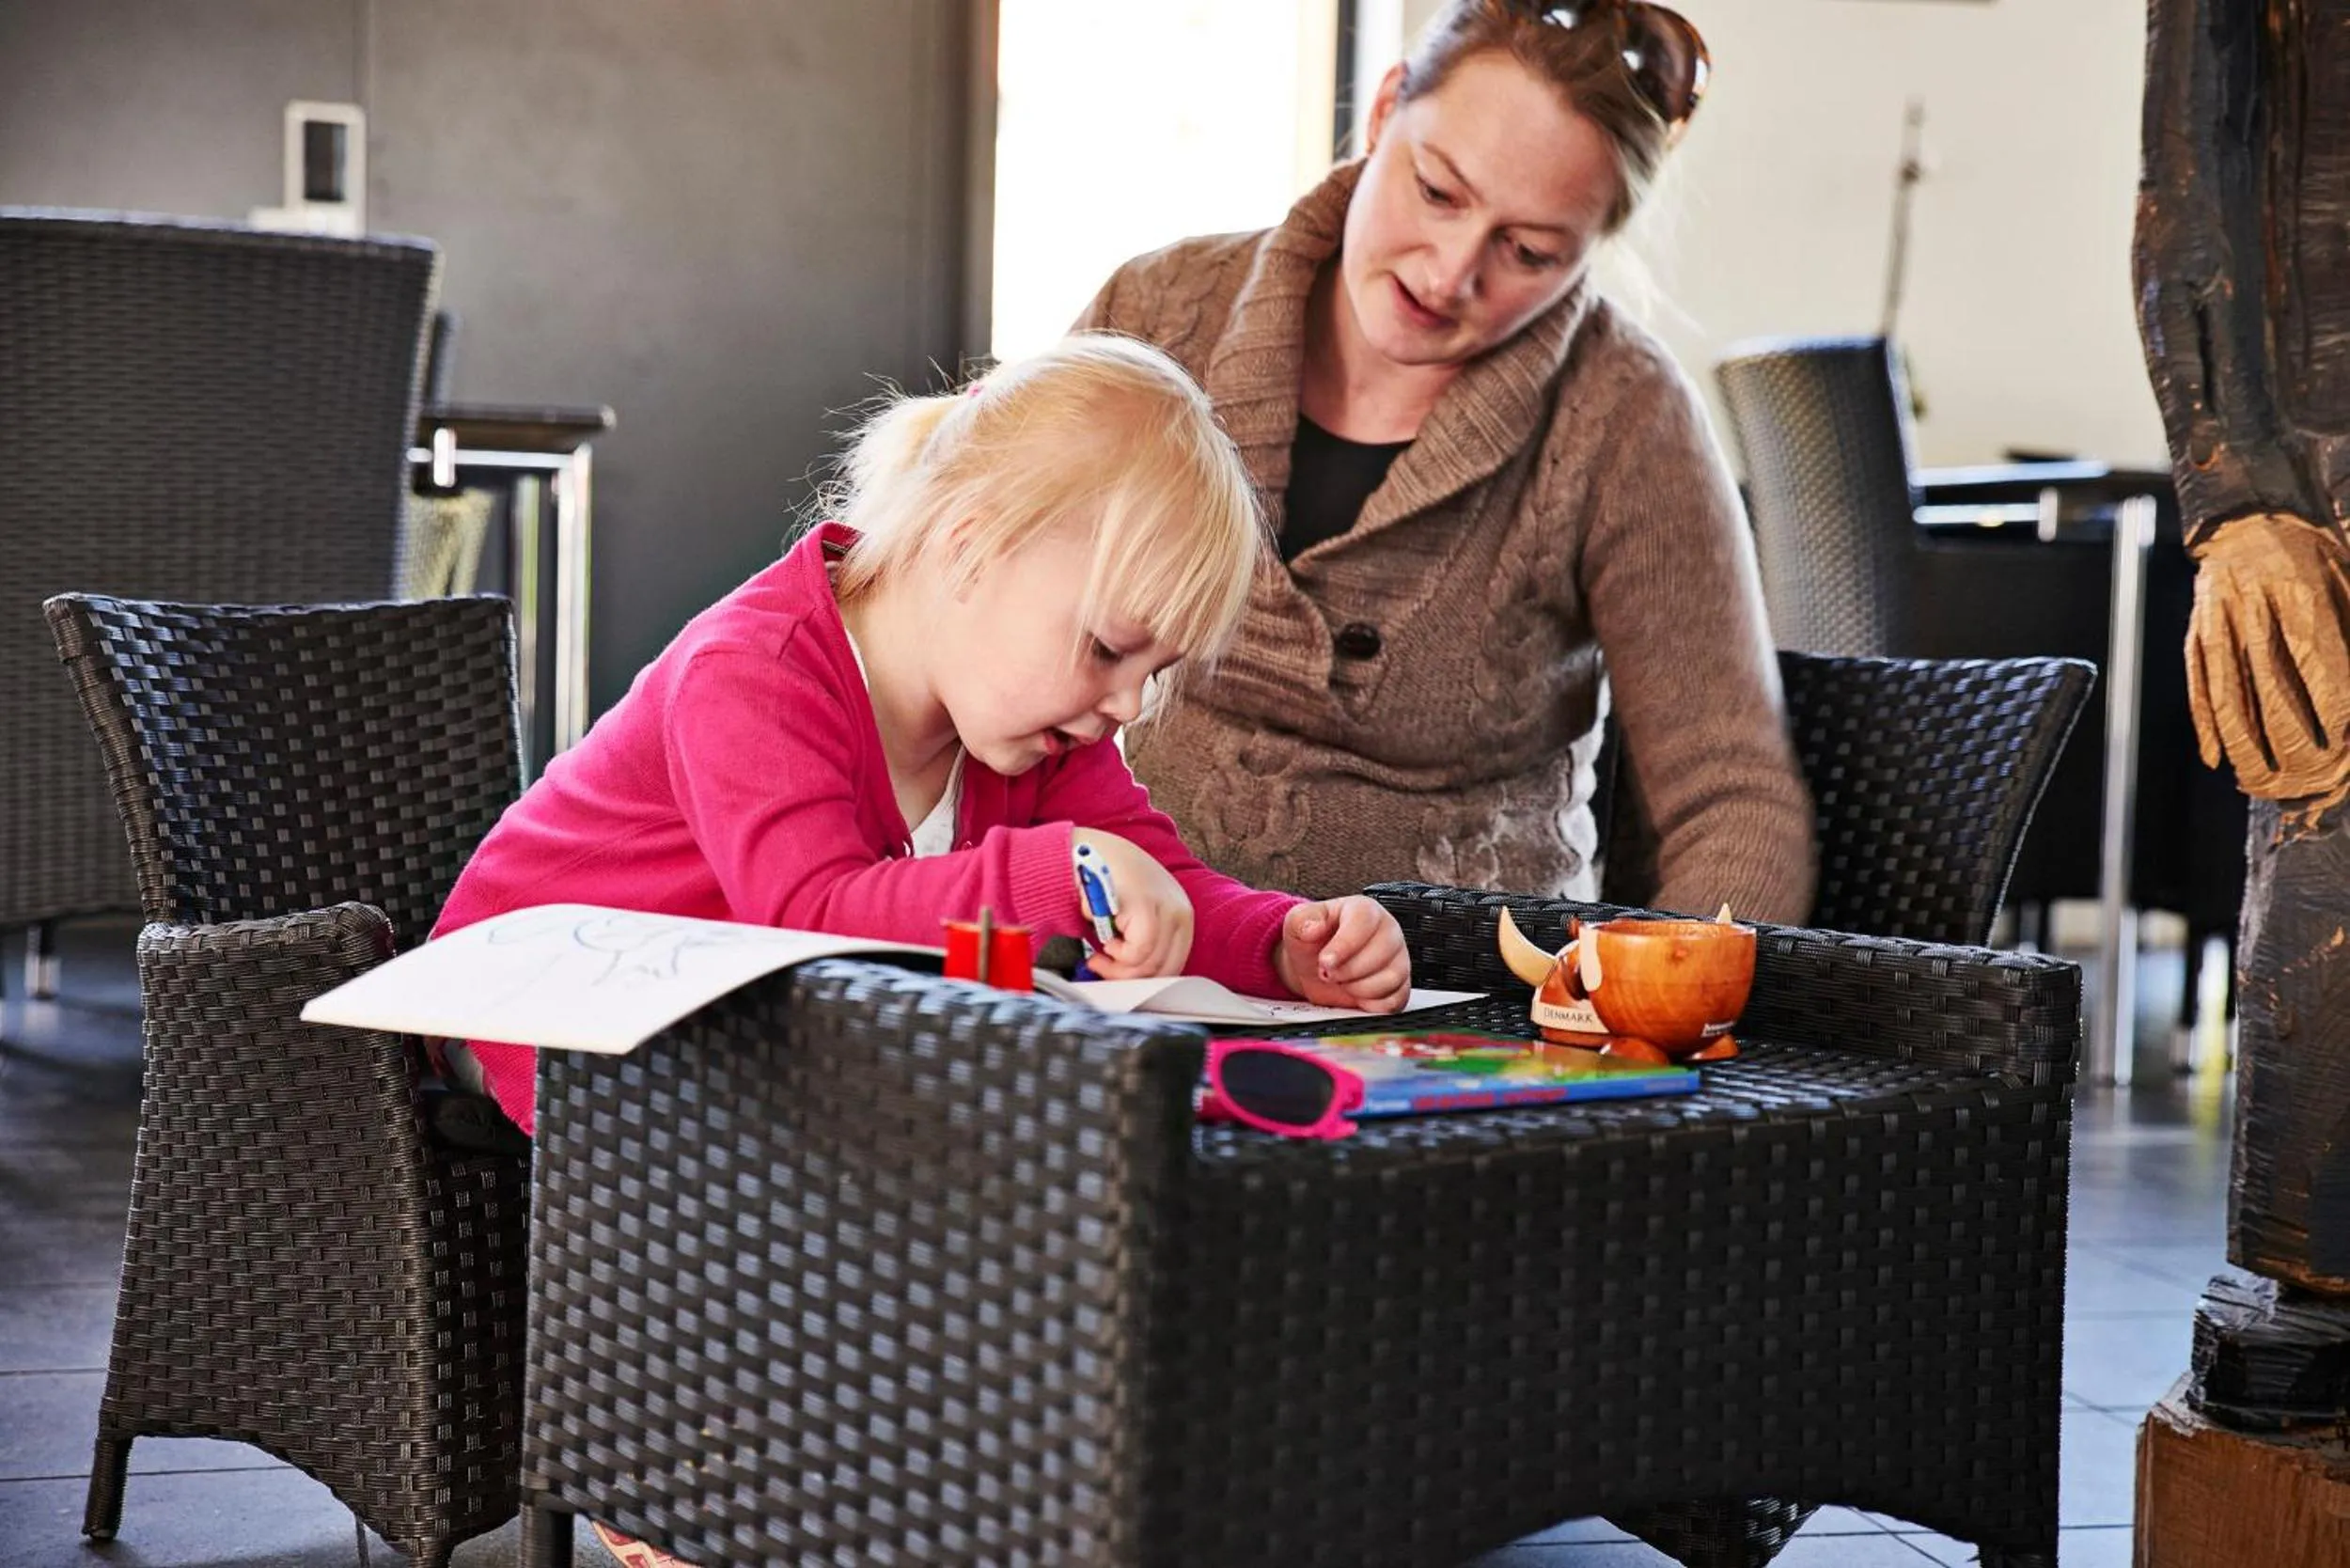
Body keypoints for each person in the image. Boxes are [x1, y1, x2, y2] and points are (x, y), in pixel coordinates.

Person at [431, 334, 1414, 1142]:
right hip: (535, 1022)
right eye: (1108, 648)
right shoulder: (756, 670)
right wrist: (1056, 874)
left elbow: (1161, 887)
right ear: (969, 547)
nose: (1124, 705)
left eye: (1150, 675)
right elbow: (807, 915)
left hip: (740, 1051)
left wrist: (1282, 942)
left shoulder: (1038, 726)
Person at [1076, 0, 1816, 922]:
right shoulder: (1157, 311)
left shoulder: (1625, 419)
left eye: (1529, 251)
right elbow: (980, 613)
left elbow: (1731, 800)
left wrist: (1663, 1008)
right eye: (1437, 193)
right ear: (1386, 109)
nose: (1450, 274)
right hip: (1114, 955)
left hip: (1459, 1011)